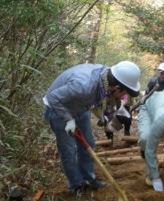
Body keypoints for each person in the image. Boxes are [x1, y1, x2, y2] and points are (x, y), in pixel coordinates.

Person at [43, 61, 141, 196]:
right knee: (69, 151)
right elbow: (52, 98)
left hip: (81, 109)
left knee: (88, 143)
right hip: (59, 110)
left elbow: (101, 99)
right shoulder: (83, 85)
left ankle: (89, 178)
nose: (125, 97)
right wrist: (68, 119)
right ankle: (76, 185)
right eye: (125, 93)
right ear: (117, 88)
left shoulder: (106, 78)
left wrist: (105, 115)